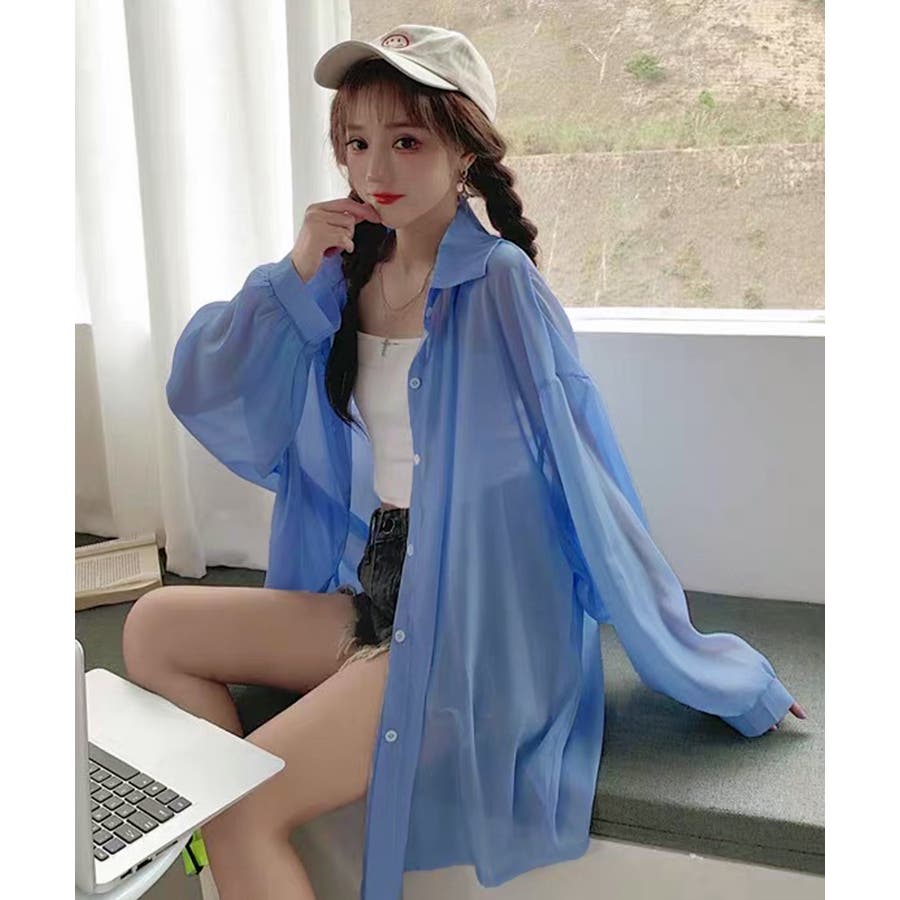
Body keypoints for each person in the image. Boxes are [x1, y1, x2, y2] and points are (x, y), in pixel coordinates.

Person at [122, 23, 807, 900]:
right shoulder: (342, 276)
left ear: (465, 151)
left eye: (407, 141)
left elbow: (585, 481)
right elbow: (209, 387)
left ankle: (231, 823)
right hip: (379, 595)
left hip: (468, 634)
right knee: (152, 627)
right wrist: (293, 269)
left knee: (245, 809)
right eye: (357, 142)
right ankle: (228, 822)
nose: (376, 167)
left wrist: (713, 672)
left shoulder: (500, 284)